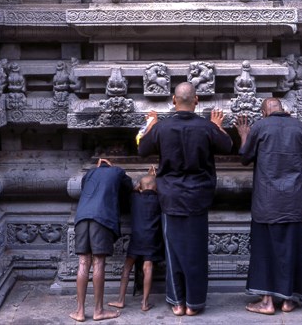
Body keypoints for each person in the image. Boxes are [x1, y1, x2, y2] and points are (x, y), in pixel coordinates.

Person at [138, 82, 233, 316]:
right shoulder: (207, 128)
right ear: (196, 100)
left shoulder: (162, 128)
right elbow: (228, 146)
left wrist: (151, 124)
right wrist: (218, 126)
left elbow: (142, 150)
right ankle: (194, 304)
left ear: (173, 100)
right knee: (196, 252)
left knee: (174, 252)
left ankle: (178, 302)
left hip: (170, 198)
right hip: (198, 198)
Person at [235, 98, 302, 315]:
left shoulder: (260, 127)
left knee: (265, 252)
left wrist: (244, 136)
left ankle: (267, 302)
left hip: (267, 202)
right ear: (283, 110)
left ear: (264, 112)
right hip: (293, 202)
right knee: (292, 251)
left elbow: (245, 158)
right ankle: (288, 300)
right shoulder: (300, 127)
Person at [69, 157, 133, 322]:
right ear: (111, 164)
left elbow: (85, 190)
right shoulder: (117, 172)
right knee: (98, 262)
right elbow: (129, 188)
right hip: (102, 217)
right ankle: (98, 310)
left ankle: (80, 311)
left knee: (83, 262)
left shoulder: (89, 173)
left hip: (82, 217)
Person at [108, 166, 163, 312]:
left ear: (140, 187)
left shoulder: (134, 198)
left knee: (127, 267)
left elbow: (131, 189)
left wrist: (141, 182)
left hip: (137, 238)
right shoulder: (160, 199)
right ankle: (144, 303)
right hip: (152, 238)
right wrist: (154, 178)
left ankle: (120, 300)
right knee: (148, 267)